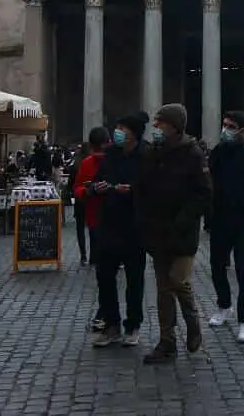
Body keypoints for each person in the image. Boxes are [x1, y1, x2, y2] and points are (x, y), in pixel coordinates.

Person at [136, 104, 212, 365]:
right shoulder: (153, 153)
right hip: (158, 231)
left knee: (178, 280)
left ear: (174, 126)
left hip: (181, 231)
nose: (155, 128)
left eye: (160, 123)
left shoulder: (193, 153)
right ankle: (166, 341)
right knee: (162, 289)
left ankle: (193, 323)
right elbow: (143, 187)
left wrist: (183, 220)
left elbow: (203, 193)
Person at [206, 111, 244, 344]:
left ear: (242, 130)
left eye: (230, 126)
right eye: (224, 125)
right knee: (216, 266)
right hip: (220, 219)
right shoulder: (218, 153)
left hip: (242, 221)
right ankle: (224, 305)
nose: (225, 129)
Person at [90, 112, 150, 348]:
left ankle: (133, 325)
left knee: (135, 279)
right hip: (110, 222)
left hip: (134, 225)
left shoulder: (146, 155)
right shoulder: (111, 154)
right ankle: (111, 325)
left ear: (133, 132)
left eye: (122, 128)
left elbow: (152, 186)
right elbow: (95, 181)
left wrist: (133, 191)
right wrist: (98, 187)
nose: (117, 131)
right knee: (104, 277)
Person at [76, 127, 110, 332]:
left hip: (110, 220)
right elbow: (78, 188)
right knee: (103, 270)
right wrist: (88, 191)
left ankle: (106, 314)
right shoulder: (88, 163)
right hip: (96, 220)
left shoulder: (111, 161)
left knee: (105, 271)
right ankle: (105, 314)